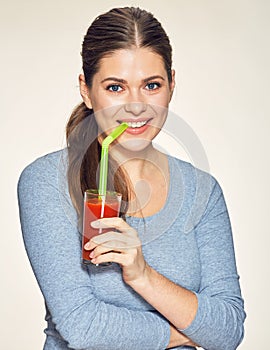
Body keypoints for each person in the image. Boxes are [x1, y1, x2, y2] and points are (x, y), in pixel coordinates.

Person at [18, 7, 246, 350]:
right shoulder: (46, 182)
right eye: (115, 87)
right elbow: (84, 326)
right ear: (86, 89)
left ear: (171, 83)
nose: (136, 106)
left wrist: (143, 275)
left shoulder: (203, 191)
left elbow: (228, 330)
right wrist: (187, 331)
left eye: (151, 85)